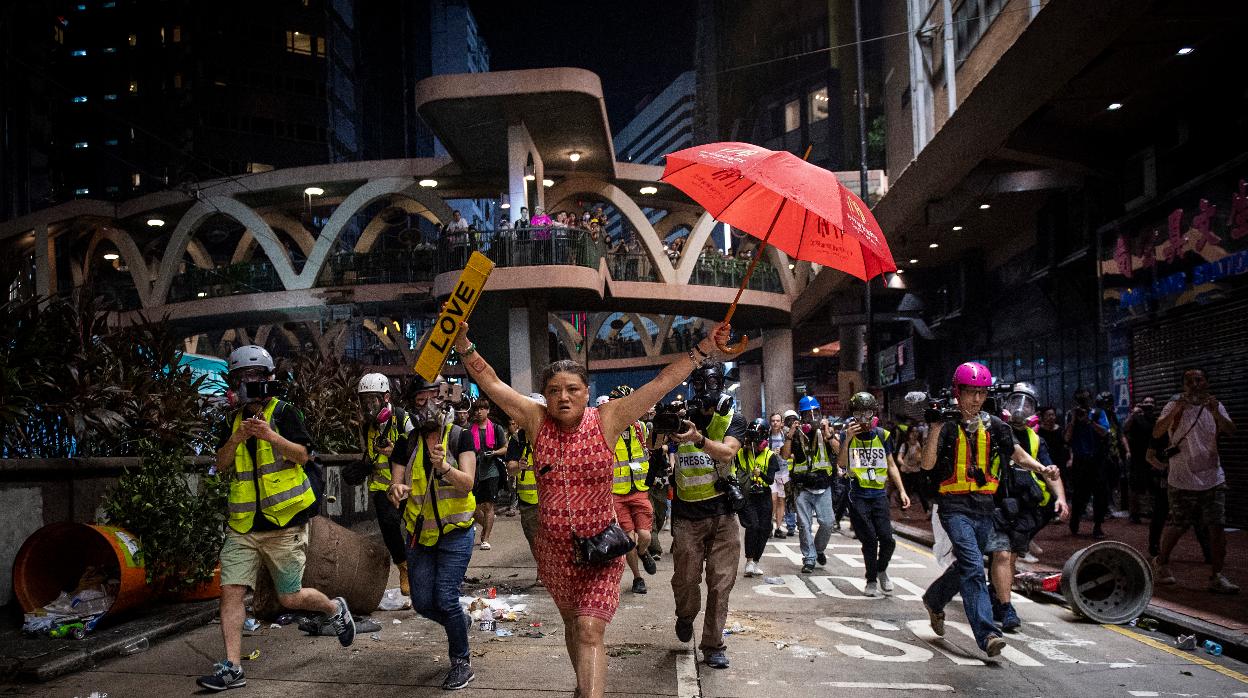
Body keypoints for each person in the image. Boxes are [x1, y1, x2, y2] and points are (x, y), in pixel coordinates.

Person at [453, 314, 730, 696]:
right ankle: (585, 687)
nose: (562, 396)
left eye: (571, 389)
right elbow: (493, 384)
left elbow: (661, 383)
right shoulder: (535, 421)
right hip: (555, 553)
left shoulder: (608, 418)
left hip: (600, 547)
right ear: (545, 396)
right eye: (553, 390)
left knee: (589, 628)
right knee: (573, 625)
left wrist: (704, 350)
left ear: (586, 392)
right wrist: (465, 346)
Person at [199, 346, 354, 691]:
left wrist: (270, 435)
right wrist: (237, 439)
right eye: (241, 379)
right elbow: (221, 465)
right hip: (242, 527)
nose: (248, 385)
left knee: (290, 597)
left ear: (269, 381)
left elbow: (304, 455)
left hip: (284, 525)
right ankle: (232, 668)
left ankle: (333, 609)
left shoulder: (284, 412)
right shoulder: (231, 421)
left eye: (255, 378)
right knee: (231, 593)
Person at [920, 362, 1059, 658]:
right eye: (970, 393)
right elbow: (928, 464)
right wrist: (933, 429)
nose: (976, 399)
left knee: (967, 565)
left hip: (984, 508)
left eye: (981, 393)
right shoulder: (945, 426)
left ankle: (934, 598)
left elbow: (1016, 453)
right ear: (958, 393)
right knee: (972, 566)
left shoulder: (994, 425)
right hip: (953, 507)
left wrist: (1042, 468)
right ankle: (987, 634)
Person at [386, 373, 480, 691]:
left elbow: (467, 482)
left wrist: (444, 468)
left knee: (446, 597)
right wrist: (396, 490)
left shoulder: (459, 437)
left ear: (445, 400)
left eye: (433, 397)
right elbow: (396, 483)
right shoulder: (406, 443)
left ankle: (461, 662)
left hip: (456, 532)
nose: (427, 406)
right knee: (423, 603)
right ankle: (459, 625)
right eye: (419, 400)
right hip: (419, 535)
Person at [670, 361, 748, 669]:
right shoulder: (681, 418)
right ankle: (685, 615)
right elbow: (659, 449)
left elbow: (728, 452)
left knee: (720, 583)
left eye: (711, 384)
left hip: (723, 515)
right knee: (686, 581)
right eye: (700, 385)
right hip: (687, 517)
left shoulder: (733, 418)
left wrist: (697, 439)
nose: (706, 391)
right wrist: (663, 433)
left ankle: (713, 644)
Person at [988, 382, 1069, 631]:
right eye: (1015, 402)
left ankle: (998, 597)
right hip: (994, 503)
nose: (1020, 409)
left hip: (1023, 508)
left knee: (1010, 557)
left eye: (1027, 403)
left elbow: (1050, 471)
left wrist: (1061, 499)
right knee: (1001, 554)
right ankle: (1005, 607)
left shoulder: (1036, 440)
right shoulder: (993, 430)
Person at [1151, 369, 1239, 594]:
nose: (1194, 385)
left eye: (1199, 380)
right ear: (1183, 385)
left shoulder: (1215, 406)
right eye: (1189, 381)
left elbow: (1231, 431)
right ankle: (1161, 563)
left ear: (1207, 383)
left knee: (1217, 526)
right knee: (1179, 525)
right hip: (1182, 478)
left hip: (1213, 477)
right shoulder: (1174, 406)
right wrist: (1176, 410)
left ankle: (1217, 575)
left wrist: (1216, 413)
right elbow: (1157, 431)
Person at [838, 392, 910, 596]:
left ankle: (881, 570)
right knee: (869, 539)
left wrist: (902, 491)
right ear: (853, 415)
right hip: (858, 495)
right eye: (858, 413)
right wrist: (849, 439)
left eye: (867, 413)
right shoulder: (846, 435)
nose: (863, 418)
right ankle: (870, 579)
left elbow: (891, 465)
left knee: (887, 539)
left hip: (879, 495)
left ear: (874, 414)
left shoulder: (883, 435)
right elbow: (842, 463)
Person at [356, 373, 415, 605]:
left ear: (386, 398)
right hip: (381, 486)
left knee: (413, 528)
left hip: (407, 485)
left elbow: (417, 450)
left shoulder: (403, 419)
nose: (369, 406)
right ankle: (404, 567)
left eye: (373, 400)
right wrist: (362, 467)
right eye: (365, 401)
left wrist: (396, 453)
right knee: (389, 526)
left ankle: (421, 567)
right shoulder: (367, 427)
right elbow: (370, 455)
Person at [607, 385, 659, 595]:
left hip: (639, 489)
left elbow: (654, 447)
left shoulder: (641, 428)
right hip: (617, 493)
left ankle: (643, 552)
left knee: (644, 536)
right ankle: (638, 578)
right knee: (628, 539)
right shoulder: (608, 428)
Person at [786, 398, 838, 574]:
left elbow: (839, 451)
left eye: (816, 412)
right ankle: (809, 558)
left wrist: (828, 434)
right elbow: (785, 455)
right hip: (803, 487)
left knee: (828, 522)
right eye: (809, 414)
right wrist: (790, 434)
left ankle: (819, 549)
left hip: (823, 485)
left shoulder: (827, 432)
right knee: (804, 525)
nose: (813, 417)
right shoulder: (796, 434)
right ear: (801, 416)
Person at [738, 418, 782, 577]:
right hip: (749, 495)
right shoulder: (742, 453)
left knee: (765, 529)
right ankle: (749, 561)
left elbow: (770, 480)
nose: (754, 444)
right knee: (753, 526)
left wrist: (760, 474)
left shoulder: (770, 455)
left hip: (763, 495)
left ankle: (756, 561)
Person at [1065, 387, 1110, 538]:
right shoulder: (1072, 415)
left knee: (1100, 494)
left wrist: (1089, 421)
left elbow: (1104, 432)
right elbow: (1067, 438)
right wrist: (1073, 421)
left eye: (1085, 398)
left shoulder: (1098, 413)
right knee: (1079, 494)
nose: (1083, 402)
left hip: (1097, 460)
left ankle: (1098, 526)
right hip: (1080, 460)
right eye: (1080, 399)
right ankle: (1075, 520)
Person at [467, 398, 508, 551]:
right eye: (476, 409)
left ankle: (486, 537)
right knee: (474, 506)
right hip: (475, 471)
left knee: (489, 505)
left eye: (482, 409)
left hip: (492, 470)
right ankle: (486, 526)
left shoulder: (496, 428)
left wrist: (494, 452)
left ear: (488, 410)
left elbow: (505, 448)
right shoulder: (470, 429)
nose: (479, 412)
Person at [505, 402, 542, 567]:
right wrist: (517, 466)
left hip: (554, 499)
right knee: (534, 538)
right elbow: (510, 469)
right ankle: (543, 571)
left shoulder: (553, 435)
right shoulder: (517, 439)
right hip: (528, 500)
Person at [1123, 397, 1157, 523]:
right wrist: (1133, 413)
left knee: (1154, 485)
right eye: (1146, 403)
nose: (1149, 405)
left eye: (1151, 403)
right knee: (1135, 486)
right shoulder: (1136, 418)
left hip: (1152, 456)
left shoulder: (1156, 420)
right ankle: (1134, 513)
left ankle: (1153, 511)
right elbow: (1125, 429)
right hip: (1137, 457)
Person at [767, 413, 792, 537]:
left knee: (782, 500)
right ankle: (769, 526)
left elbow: (791, 453)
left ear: (782, 422)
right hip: (771, 473)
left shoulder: (786, 436)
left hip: (783, 472)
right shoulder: (766, 435)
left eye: (778, 420)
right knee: (773, 499)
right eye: (773, 420)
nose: (775, 423)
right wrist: (771, 452)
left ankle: (778, 527)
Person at [897, 426, 928, 514]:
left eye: (917, 432)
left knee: (921, 490)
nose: (915, 434)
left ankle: (927, 510)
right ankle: (903, 509)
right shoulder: (905, 445)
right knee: (906, 491)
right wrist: (906, 465)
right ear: (909, 434)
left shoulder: (919, 445)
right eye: (913, 432)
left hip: (916, 471)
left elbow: (921, 458)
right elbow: (899, 458)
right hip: (906, 472)